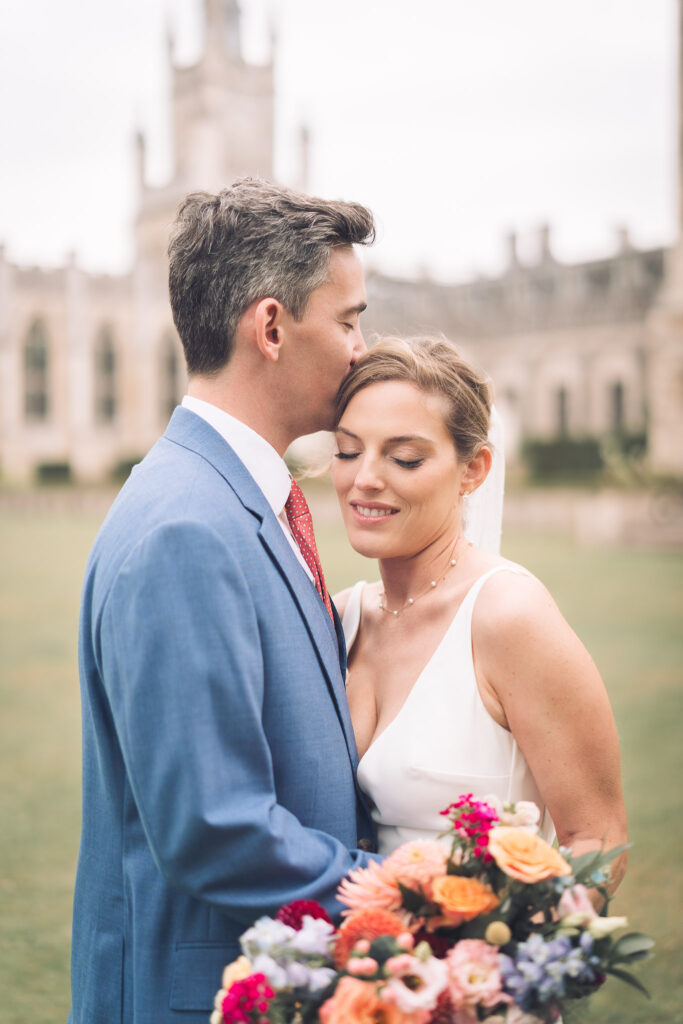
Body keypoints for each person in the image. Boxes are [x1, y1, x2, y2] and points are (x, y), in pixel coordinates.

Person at [69, 178, 380, 1024]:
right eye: (348, 320)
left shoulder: (234, 497)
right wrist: (406, 895)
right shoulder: (186, 528)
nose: (362, 349)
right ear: (271, 327)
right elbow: (216, 829)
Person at [331, 335, 628, 893]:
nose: (364, 477)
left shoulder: (509, 617)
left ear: (474, 470)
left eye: (404, 457)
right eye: (348, 451)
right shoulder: (339, 618)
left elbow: (597, 837)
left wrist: (507, 943)